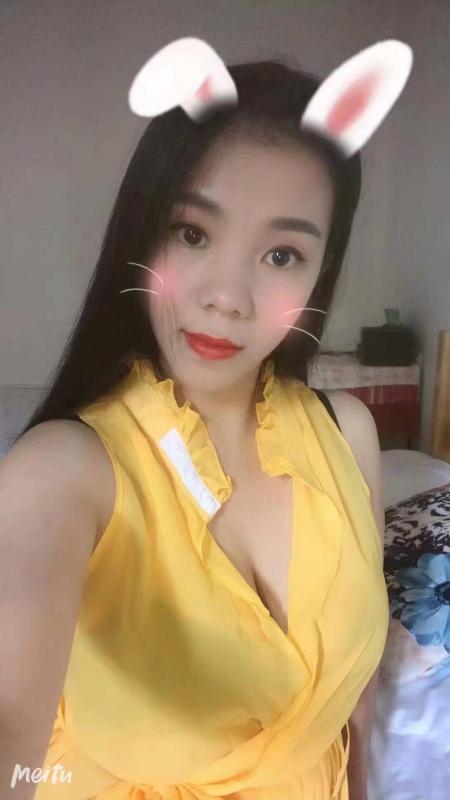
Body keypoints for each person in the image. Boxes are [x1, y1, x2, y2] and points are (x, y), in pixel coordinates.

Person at [0, 39, 412, 800]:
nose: (227, 297)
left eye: (282, 255)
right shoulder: (63, 471)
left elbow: (353, 707)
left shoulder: (348, 432)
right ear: (144, 233)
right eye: (193, 233)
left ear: (322, 271)